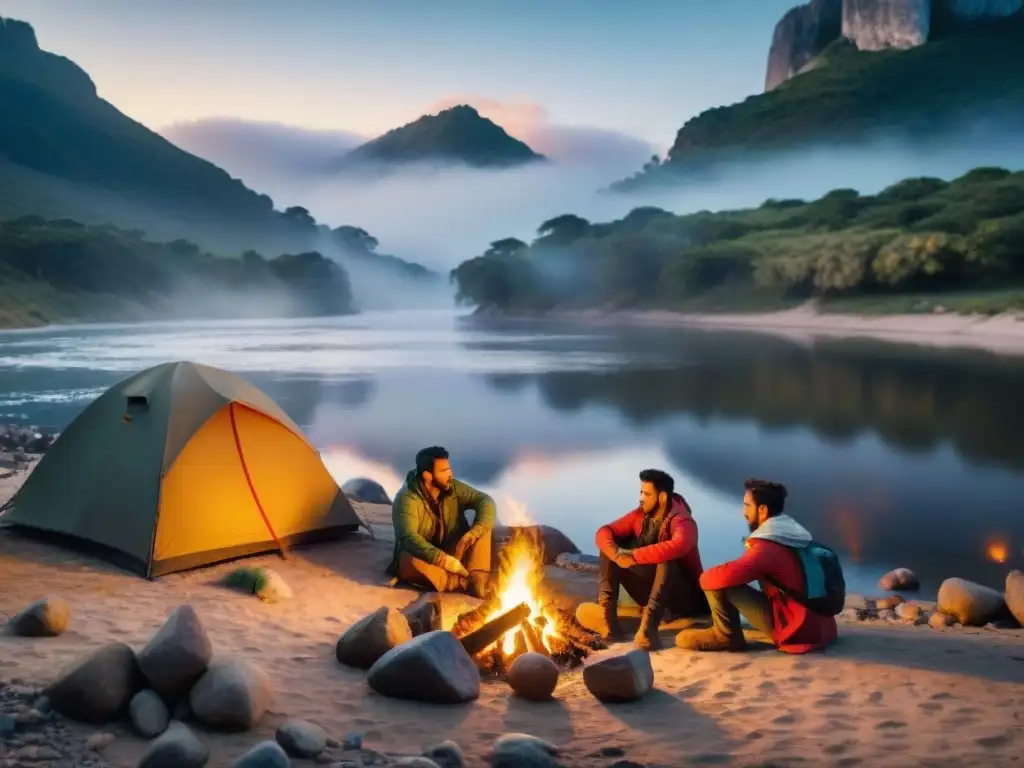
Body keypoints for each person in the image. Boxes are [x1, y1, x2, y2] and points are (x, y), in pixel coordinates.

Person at [676, 478, 838, 654]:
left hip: (798, 631)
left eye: (747, 506)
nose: (743, 512)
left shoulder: (767, 546)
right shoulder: (792, 535)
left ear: (762, 510)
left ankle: (726, 636)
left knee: (716, 581)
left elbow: (712, 580)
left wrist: (706, 576)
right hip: (821, 627)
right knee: (726, 576)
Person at [580, 469, 707, 650]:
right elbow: (604, 531)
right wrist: (617, 555)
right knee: (610, 548)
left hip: (684, 599)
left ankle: (649, 629)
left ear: (662, 497)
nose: (641, 498)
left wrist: (633, 556)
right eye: (641, 492)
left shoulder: (683, 522)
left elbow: (677, 546)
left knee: (667, 558)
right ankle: (609, 622)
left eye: (647, 494)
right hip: (651, 591)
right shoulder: (640, 515)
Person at [387, 446, 497, 598]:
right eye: (443, 471)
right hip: (427, 556)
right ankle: (465, 583)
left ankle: (477, 577)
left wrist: (472, 534)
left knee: (484, 530)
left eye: (449, 469)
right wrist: (442, 559)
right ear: (427, 476)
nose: (450, 474)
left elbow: (485, 500)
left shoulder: (452, 487)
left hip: (456, 549)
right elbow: (408, 537)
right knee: (409, 562)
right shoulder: (407, 499)